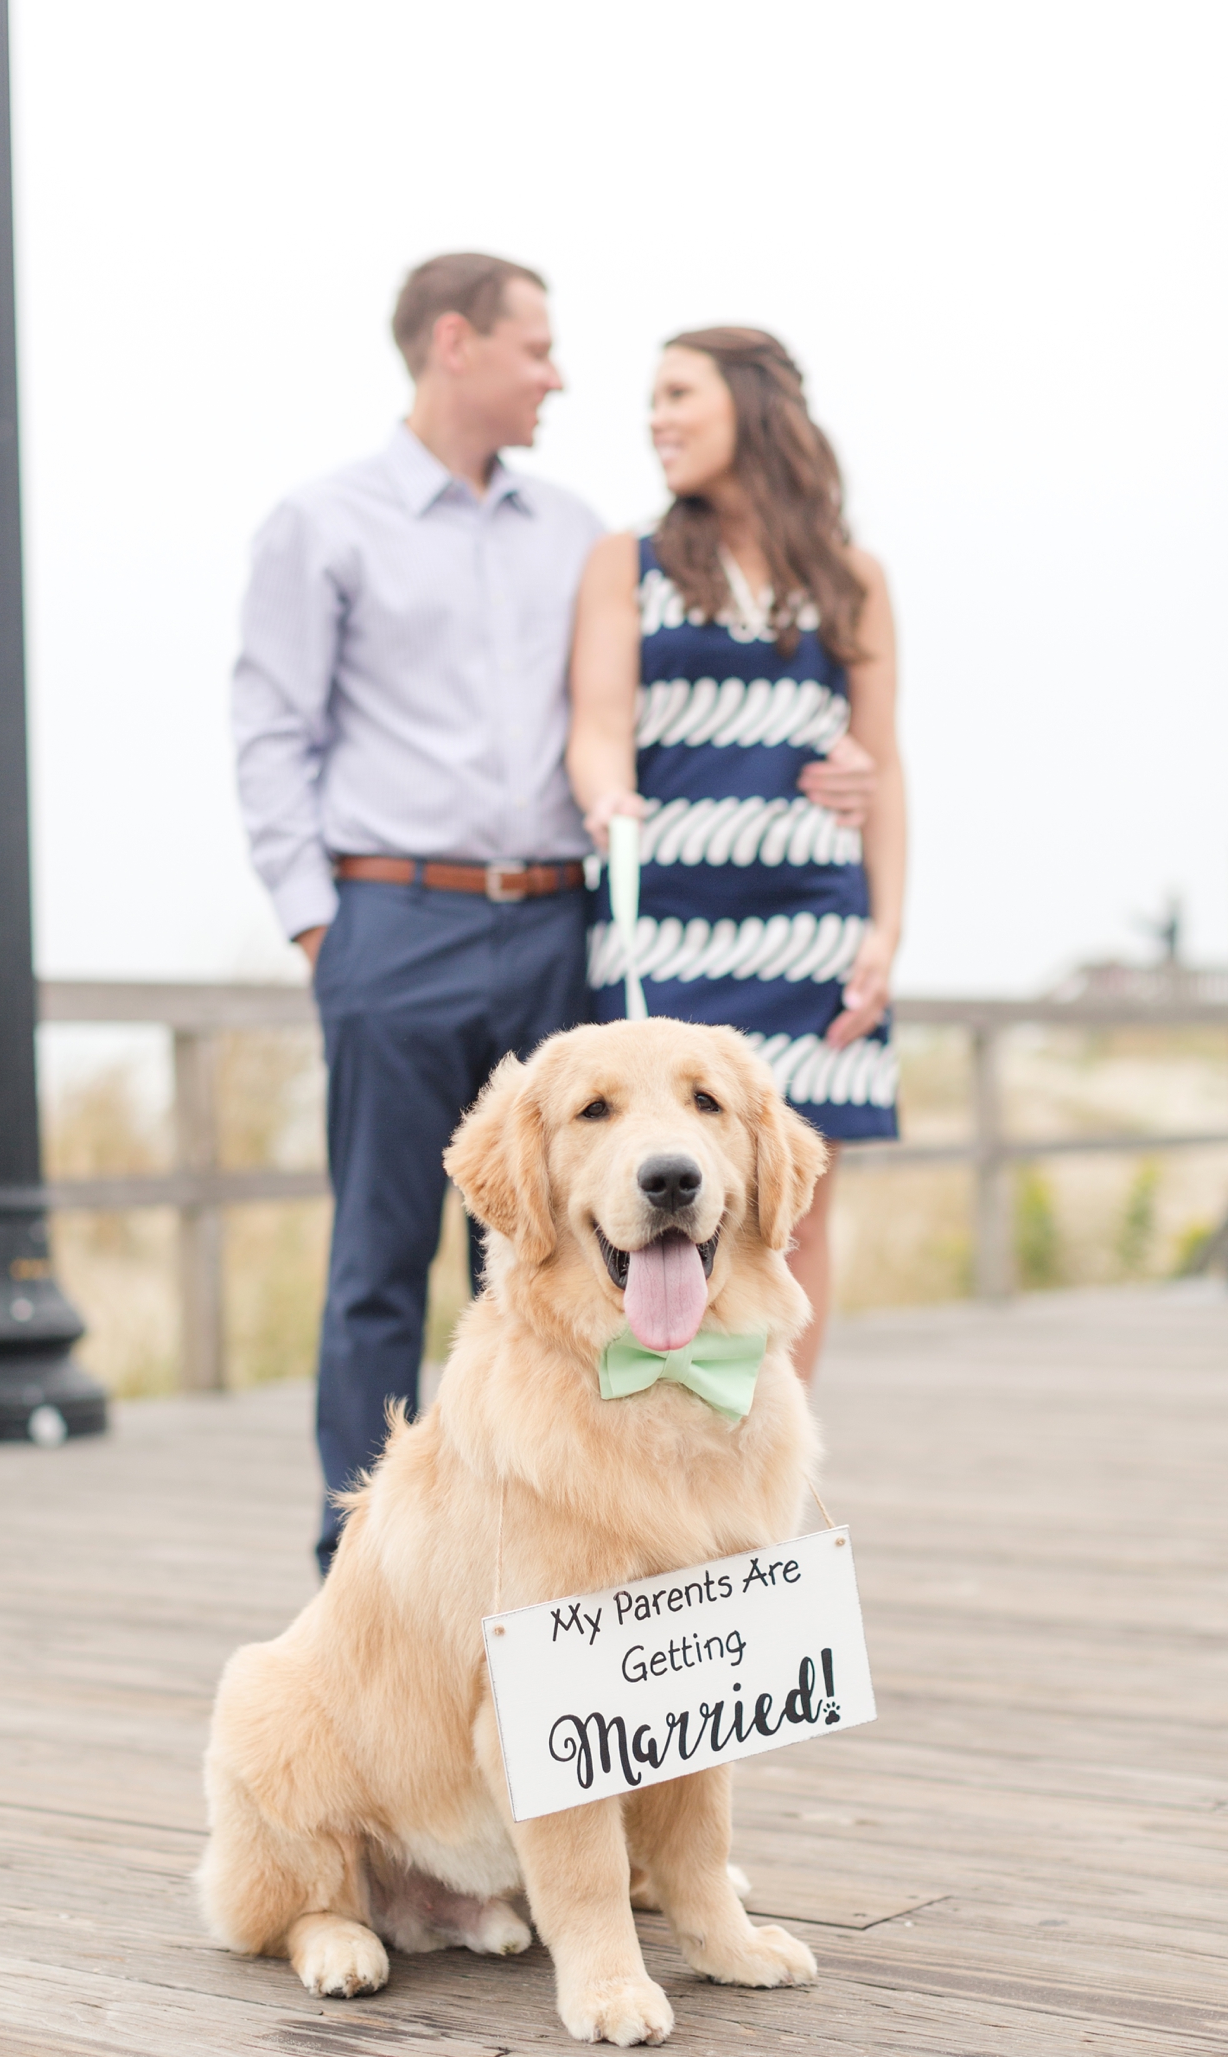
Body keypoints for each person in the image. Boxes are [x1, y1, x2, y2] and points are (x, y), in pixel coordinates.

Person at [233, 253, 603, 1571]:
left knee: (551, 1260)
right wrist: (322, 929)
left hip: (558, 931)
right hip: (395, 926)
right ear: (457, 343)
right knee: (380, 1265)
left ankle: (544, 1546)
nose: (558, 373)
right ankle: (373, 1574)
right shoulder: (322, 522)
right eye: (538, 347)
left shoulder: (578, 529)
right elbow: (272, 730)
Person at [566, 327, 906, 1381]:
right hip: (660, 930)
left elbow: (882, 765)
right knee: (647, 1215)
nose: (657, 419)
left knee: (789, 1220)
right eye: (653, 401)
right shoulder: (626, 561)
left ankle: (767, 1476)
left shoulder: (850, 577)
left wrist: (886, 934)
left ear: (752, 407)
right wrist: (603, 792)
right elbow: (596, 723)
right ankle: (663, 1489)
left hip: (810, 935)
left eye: (680, 395)